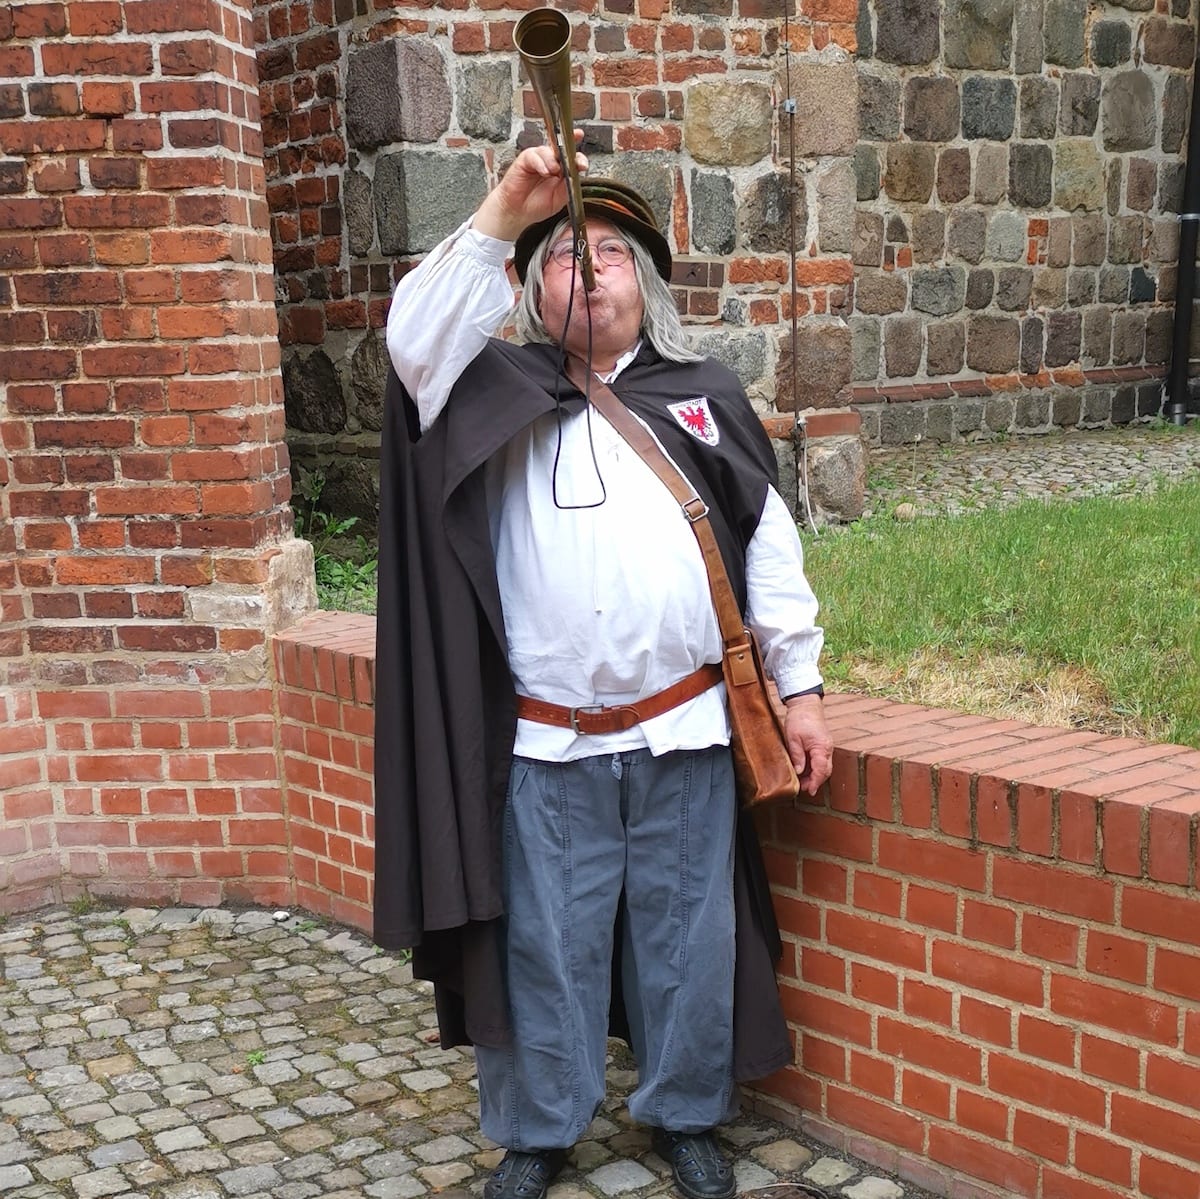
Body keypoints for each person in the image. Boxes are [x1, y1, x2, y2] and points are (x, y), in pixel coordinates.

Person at [372, 143, 833, 1199]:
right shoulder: (484, 388)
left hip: (687, 732)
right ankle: (539, 1125)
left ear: (648, 286)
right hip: (548, 739)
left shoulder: (705, 396)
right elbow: (411, 340)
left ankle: (683, 1113)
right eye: (565, 255)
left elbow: (770, 552)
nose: (590, 268)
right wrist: (506, 210)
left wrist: (799, 689)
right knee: (547, 946)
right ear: (532, 290)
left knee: (687, 941)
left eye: (612, 253)